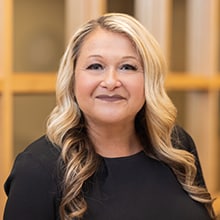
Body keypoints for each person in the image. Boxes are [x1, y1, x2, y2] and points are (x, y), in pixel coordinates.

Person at [3, 13, 216, 220]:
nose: (111, 81)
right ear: (73, 78)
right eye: (96, 66)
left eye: (127, 67)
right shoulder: (37, 169)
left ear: (149, 80)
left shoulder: (176, 145)